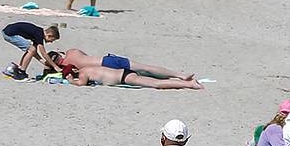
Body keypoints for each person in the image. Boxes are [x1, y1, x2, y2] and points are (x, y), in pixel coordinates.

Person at [57, 46, 202, 89]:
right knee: (146, 68)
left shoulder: (78, 70)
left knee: (152, 82)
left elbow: (81, 82)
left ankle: (185, 82)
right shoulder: (72, 51)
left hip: (114, 73)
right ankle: (180, 75)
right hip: (107, 60)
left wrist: (69, 79)